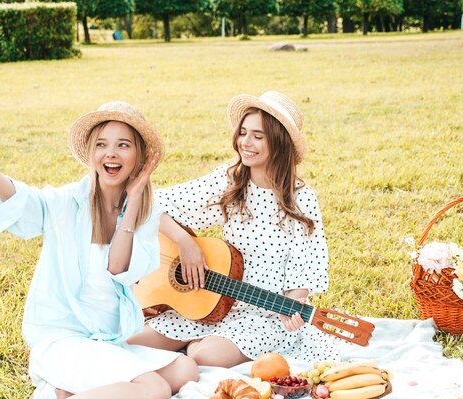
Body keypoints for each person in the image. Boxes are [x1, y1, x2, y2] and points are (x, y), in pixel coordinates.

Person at [0, 101, 199, 399]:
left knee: (185, 369)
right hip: (61, 340)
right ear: (91, 153)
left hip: (105, 341)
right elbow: (20, 198)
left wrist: (131, 204)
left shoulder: (144, 212)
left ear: (140, 157)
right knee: (155, 388)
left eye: (123, 145)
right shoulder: (68, 202)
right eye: (101, 144)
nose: (110, 154)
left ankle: (60, 393)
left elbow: (119, 269)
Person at [127, 91, 339, 368]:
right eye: (243, 132)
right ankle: (193, 341)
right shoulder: (231, 182)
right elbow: (153, 204)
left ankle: (197, 346)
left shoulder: (301, 199)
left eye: (258, 136)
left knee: (205, 355)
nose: (245, 143)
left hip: (263, 315)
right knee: (130, 340)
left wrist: (294, 305)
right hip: (209, 302)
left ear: (279, 143)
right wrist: (184, 242)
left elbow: (304, 265)